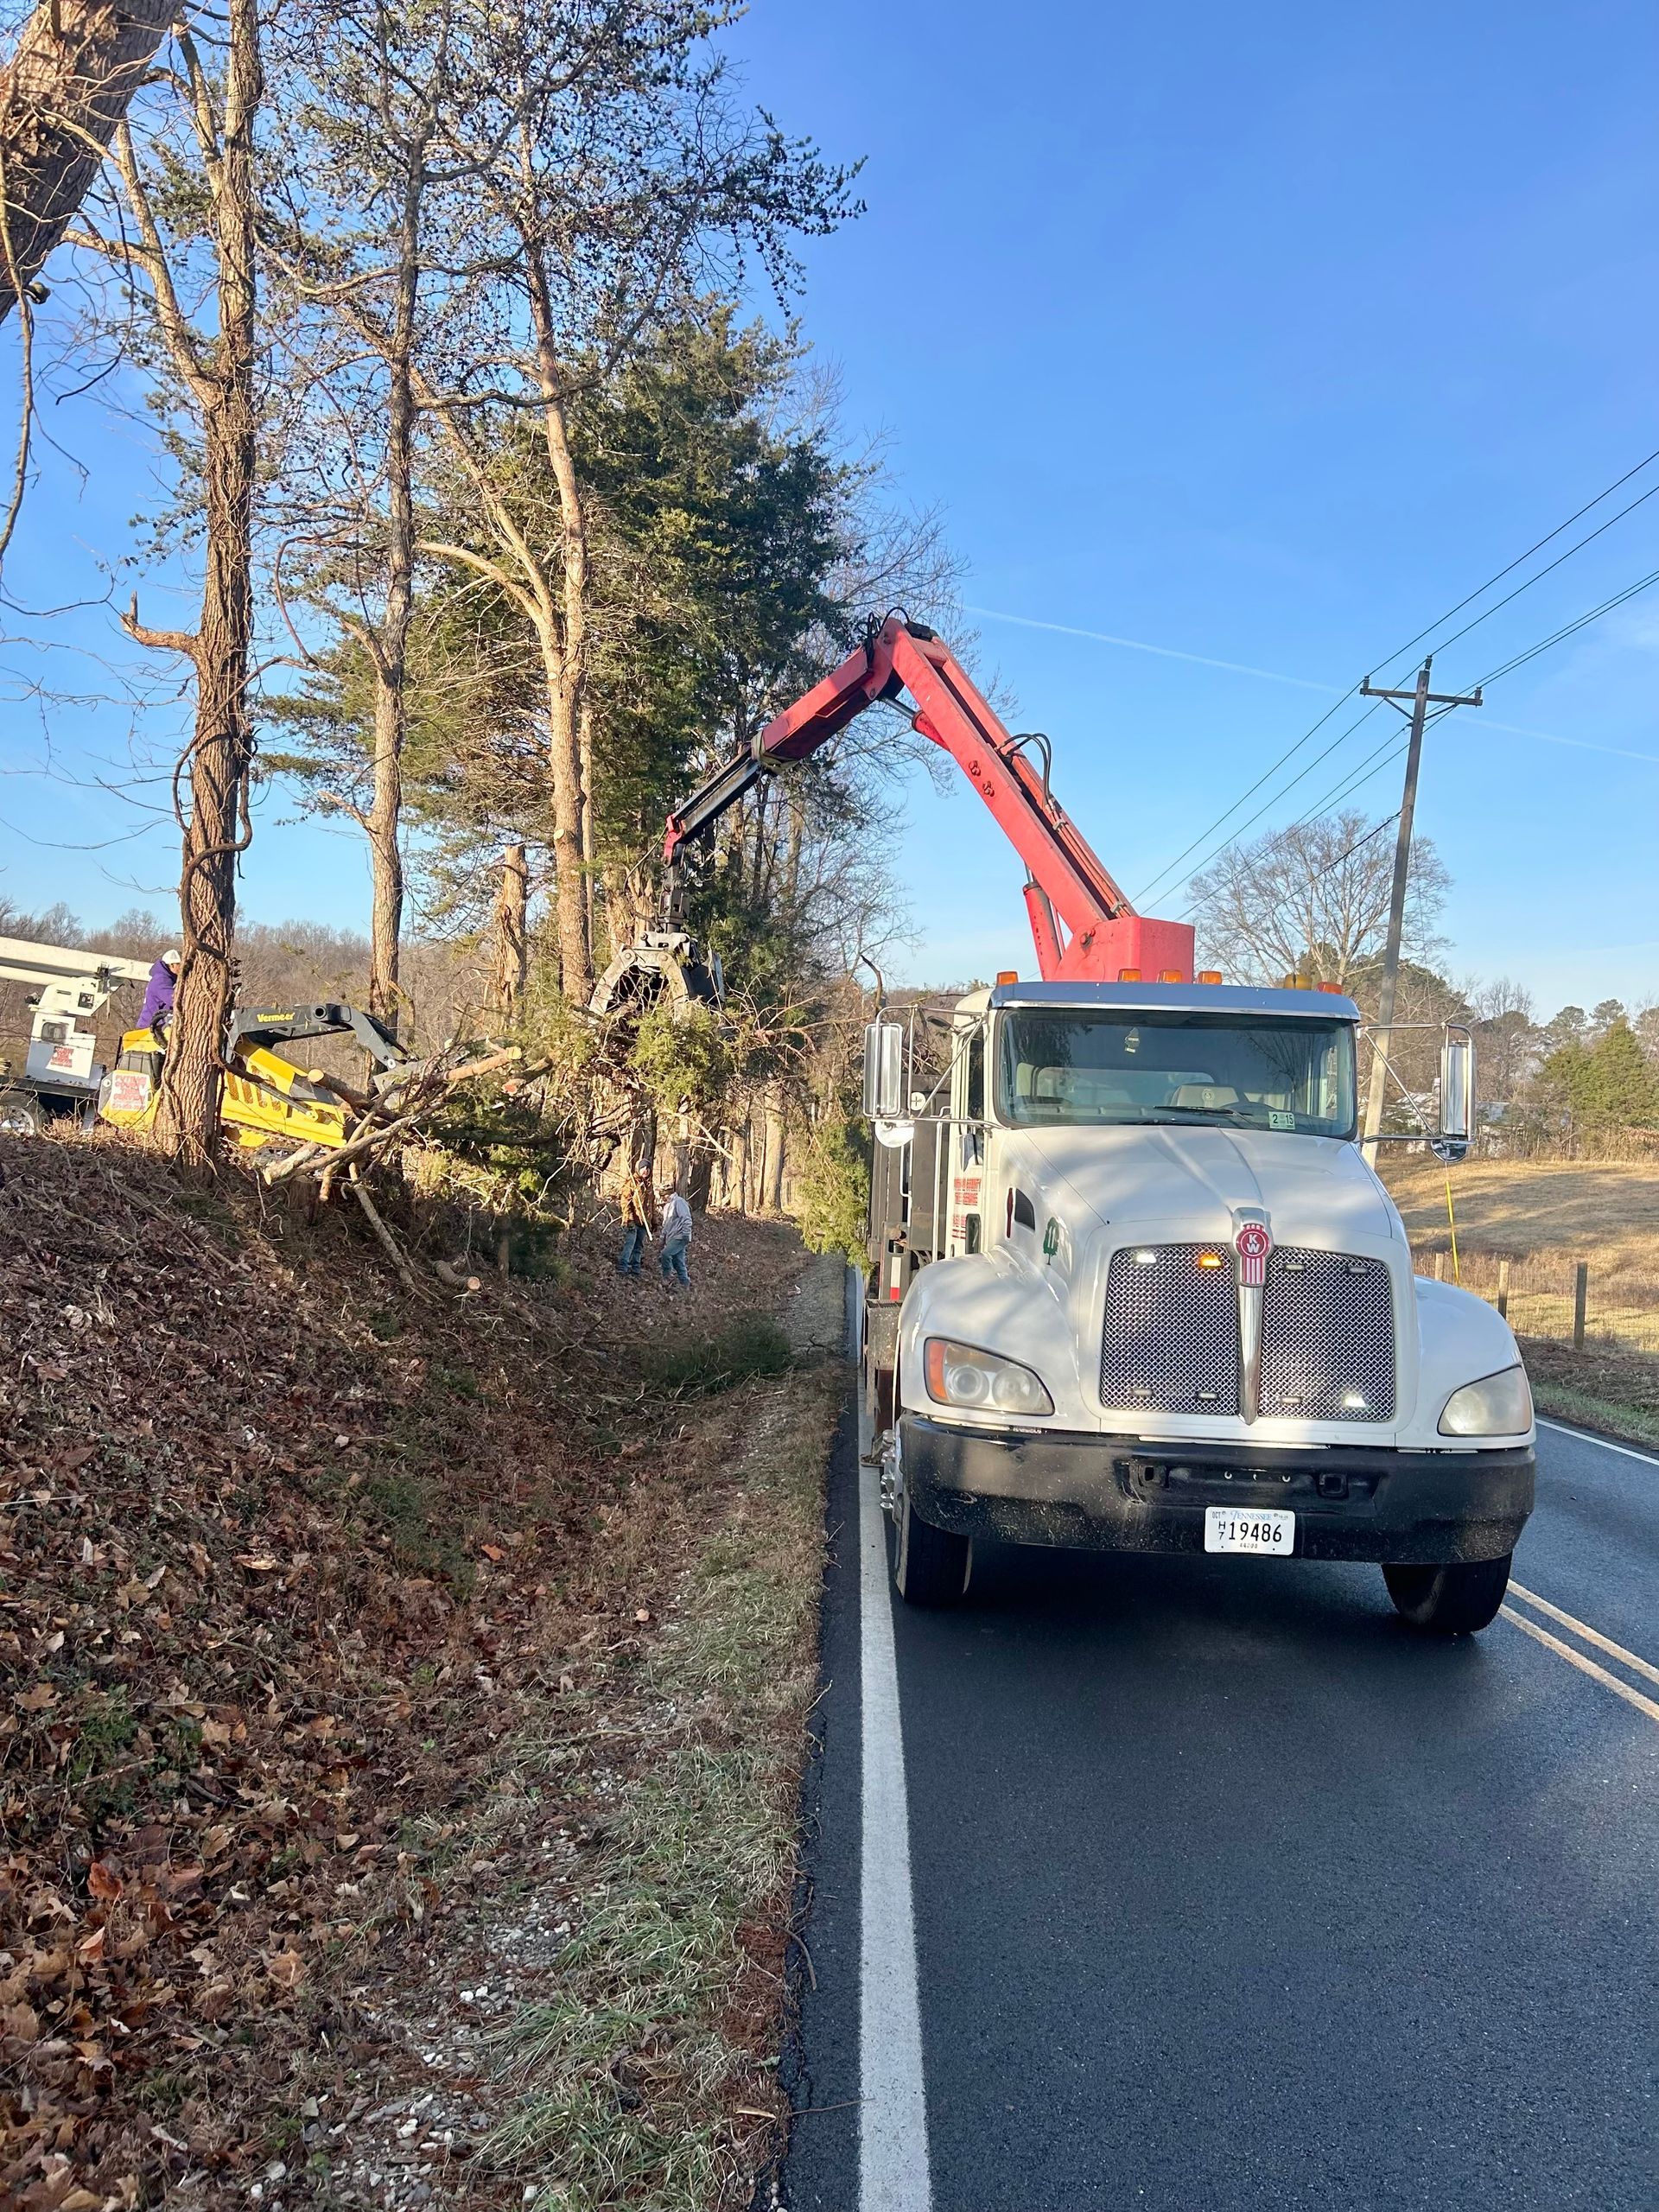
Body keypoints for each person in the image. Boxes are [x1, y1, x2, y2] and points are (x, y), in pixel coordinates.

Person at [616, 1169, 653, 1278]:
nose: (646, 1171)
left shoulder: (649, 1185)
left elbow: (651, 1205)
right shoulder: (631, 1183)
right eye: (643, 1168)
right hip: (632, 1221)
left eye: (648, 1169)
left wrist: (653, 1221)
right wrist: (630, 1219)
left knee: (639, 1245)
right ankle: (623, 1266)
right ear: (639, 1169)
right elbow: (625, 1202)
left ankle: (635, 1267)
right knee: (630, 1243)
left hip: (644, 1222)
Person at [138, 948, 181, 1036]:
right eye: (180, 964)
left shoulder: (168, 979)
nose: (183, 967)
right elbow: (173, 999)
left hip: (157, 1025)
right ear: (172, 965)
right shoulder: (161, 980)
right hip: (153, 1027)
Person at [658, 1184, 692, 1288]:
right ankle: (685, 1284)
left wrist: (686, 1234)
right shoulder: (667, 1206)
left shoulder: (679, 1202)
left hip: (680, 1236)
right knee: (678, 1262)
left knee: (665, 1254)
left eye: (662, 1195)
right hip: (671, 1237)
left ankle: (667, 1277)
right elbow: (666, 1225)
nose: (662, 1198)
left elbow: (686, 1219)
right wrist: (662, 1239)